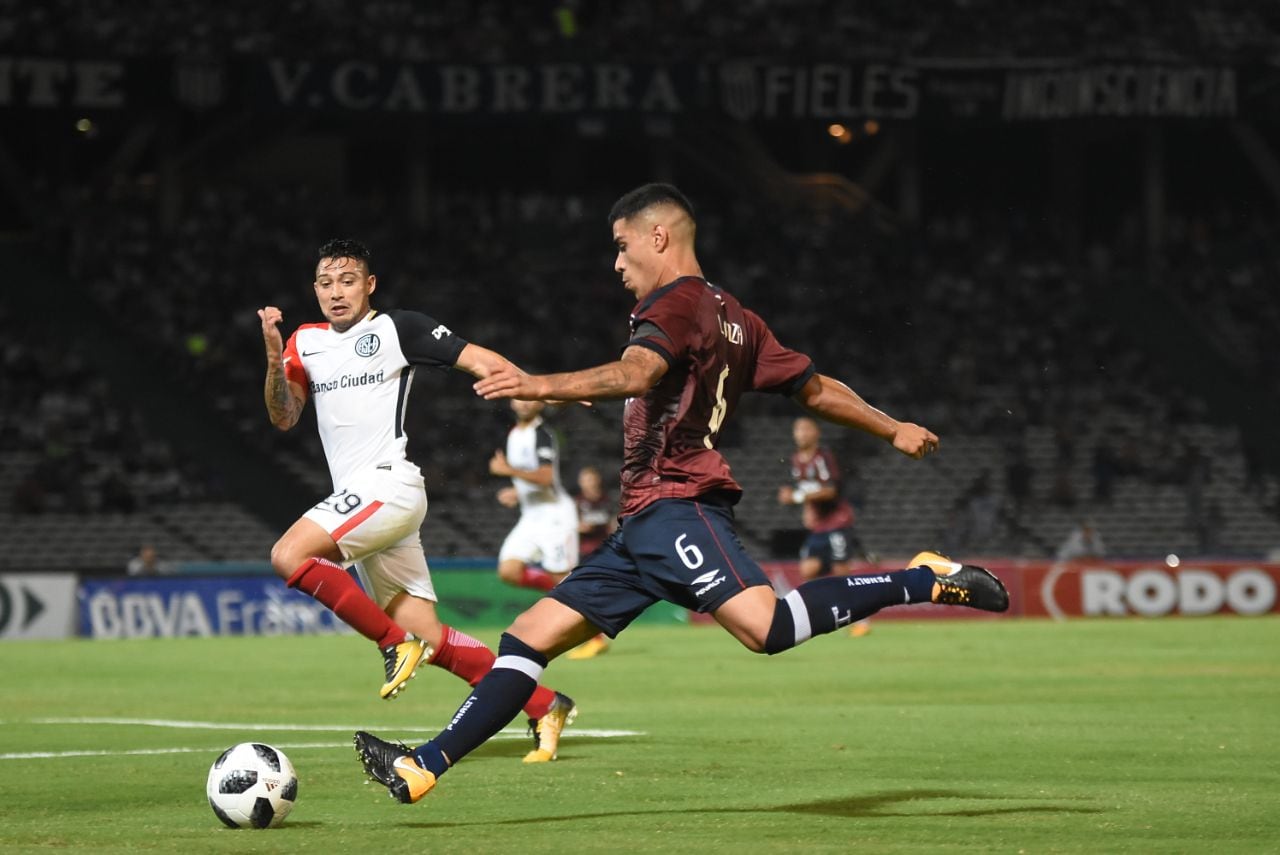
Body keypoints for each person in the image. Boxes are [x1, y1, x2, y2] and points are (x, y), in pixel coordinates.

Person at [353, 184, 1008, 804]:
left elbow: (638, 370)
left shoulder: (672, 305)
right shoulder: (736, 318)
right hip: (642, 522)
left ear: (658, 235)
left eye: (620, 244)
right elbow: (812, 386)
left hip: (677, 505)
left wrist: (540, 384)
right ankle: (423, 766)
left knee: (768, 627)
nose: (616, 262)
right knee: (526, 638)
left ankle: (922, 580)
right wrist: (892, 426)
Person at [258, 238, 575, 764]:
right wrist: (273, 362)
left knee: (288, 555)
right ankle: (545, 703)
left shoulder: (398, 328)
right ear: (315, 289)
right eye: (326, 283)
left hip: (390, 485)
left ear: (369, 284)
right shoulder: (303, 342)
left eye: (348, 280)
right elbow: (284, 416)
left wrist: (549, 388)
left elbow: (477, 358)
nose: (337, 292)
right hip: (361, 501)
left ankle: (389, 644)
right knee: (428, 634)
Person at [777, 415, 872, 637]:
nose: (801, 434)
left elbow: (830, 490)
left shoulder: (823, 457)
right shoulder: (795, 460)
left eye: (806, 429)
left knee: (842, 572)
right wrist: (805, 508)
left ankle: (862, 620)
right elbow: (793, 493)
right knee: (808, 569)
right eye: (797, 430)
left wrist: (799, 498)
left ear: (816, 433)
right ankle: (833, 600)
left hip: (838, 522)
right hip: (819, 527)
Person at [489, 399, 579, 594]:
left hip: (555, 516)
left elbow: (546, 477)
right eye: (520, 398)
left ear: (540, 404)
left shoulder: (542, 434)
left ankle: (580, 604)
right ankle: (564, 595)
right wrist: (518, 493)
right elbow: (529, 476)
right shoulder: (513, 434)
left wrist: (507, 470)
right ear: (512, 403)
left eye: (531, 399)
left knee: (561, 576)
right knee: (509, 571)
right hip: (530, 516)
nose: (525, 404)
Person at [566, 465, 618, 660]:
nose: (588, 482)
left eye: (591, 478)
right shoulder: (576, 503)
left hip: (606, 553)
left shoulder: (608, 501)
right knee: (585, 598)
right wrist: (578, 527)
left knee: (592, 598)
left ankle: (596, 640)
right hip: (584, 555)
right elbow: (569, 527)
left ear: (597, 480)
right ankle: (595, 640)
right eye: (584, 479)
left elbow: (615, 524)